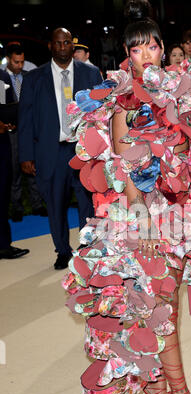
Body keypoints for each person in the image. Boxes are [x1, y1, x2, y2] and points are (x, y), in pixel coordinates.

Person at [63, 0, 191, 394]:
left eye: (152, 47)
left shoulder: (180, 91)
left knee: (165, 309)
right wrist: (142, 224)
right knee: (160, 311)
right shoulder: (123, 101)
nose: (146, 55)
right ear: (126, 52)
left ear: (162, 49)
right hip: (148, 213)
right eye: (136, 49)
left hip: (187, 205)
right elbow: (124, 167)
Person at [18, 28, 102, 269]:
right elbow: (25, 119)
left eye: (67, 43)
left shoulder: (91, 73)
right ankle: (63, 250)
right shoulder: (34, 78)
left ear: (72, 46)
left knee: (88, 203)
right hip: (50, 152)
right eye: (58, 43)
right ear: (50, 46)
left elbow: (100, 114)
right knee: (55, 204)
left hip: (83, 151)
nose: (63, 47)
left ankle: (88, 247)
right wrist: (26, 155)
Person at [5, 43, 46, 222]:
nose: (19, 66)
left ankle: (37, 204)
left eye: (22, 62)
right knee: (15, 169)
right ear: (8, 59)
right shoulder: (1, 79)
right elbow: (1, 106)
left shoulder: (29, 76)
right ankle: (17, 206)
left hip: (30, 130)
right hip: (12, 131)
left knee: (32, 167)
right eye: (16, 62)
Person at [0, 69, 29, 260]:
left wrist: (8, 122)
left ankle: (3, 245)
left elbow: (6, 106)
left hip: (2, 143)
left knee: (2, 192)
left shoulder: (1, 77)